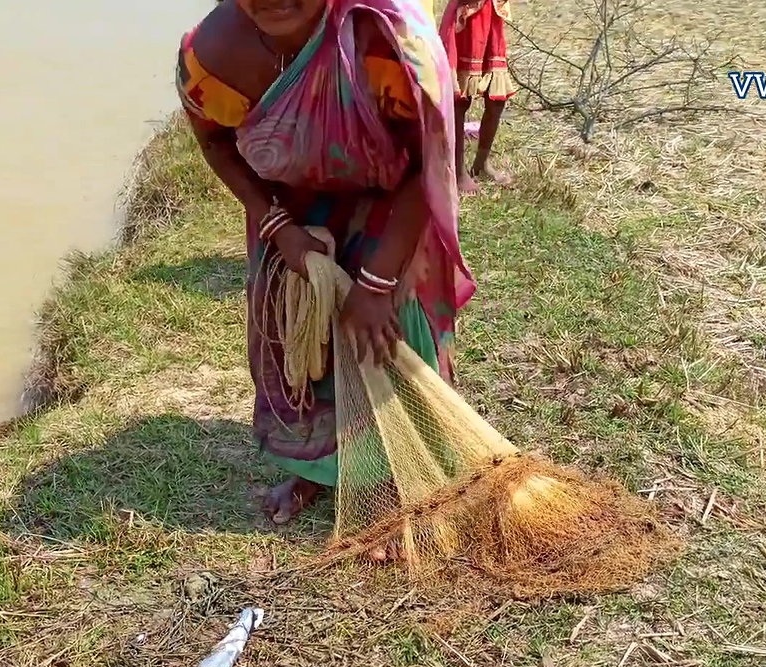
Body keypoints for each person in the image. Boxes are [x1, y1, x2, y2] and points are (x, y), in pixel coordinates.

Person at [176, 0, 476, 535]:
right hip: (293, 208)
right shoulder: (210, 55)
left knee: (387, 338)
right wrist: (278, 228)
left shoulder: (391, 41)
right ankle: (318, 468)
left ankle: (395, 482)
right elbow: (215, 143)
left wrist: (378, 280)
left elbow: (428, 161)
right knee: (301, 341)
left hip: (393, 203)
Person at [441, 0, 516, 191]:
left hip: (492, 16)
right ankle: (458, 172)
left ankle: (481, 163)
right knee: (460, 99)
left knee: (497, 98)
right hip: (467, 19)